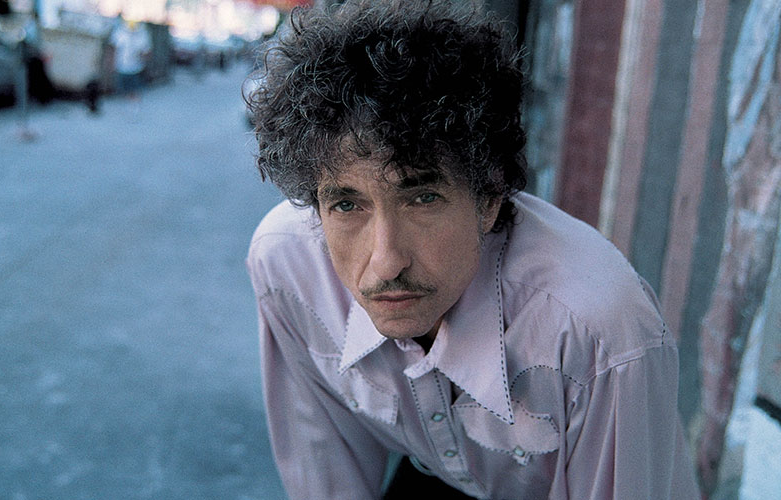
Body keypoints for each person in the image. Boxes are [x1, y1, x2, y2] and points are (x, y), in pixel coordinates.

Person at [246, 1, 701, 498]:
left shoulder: (599, 335)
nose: (386, 262)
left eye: (423, 198)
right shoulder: (287, 268)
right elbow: (326, 477)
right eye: (347, 205)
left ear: (488, 199)